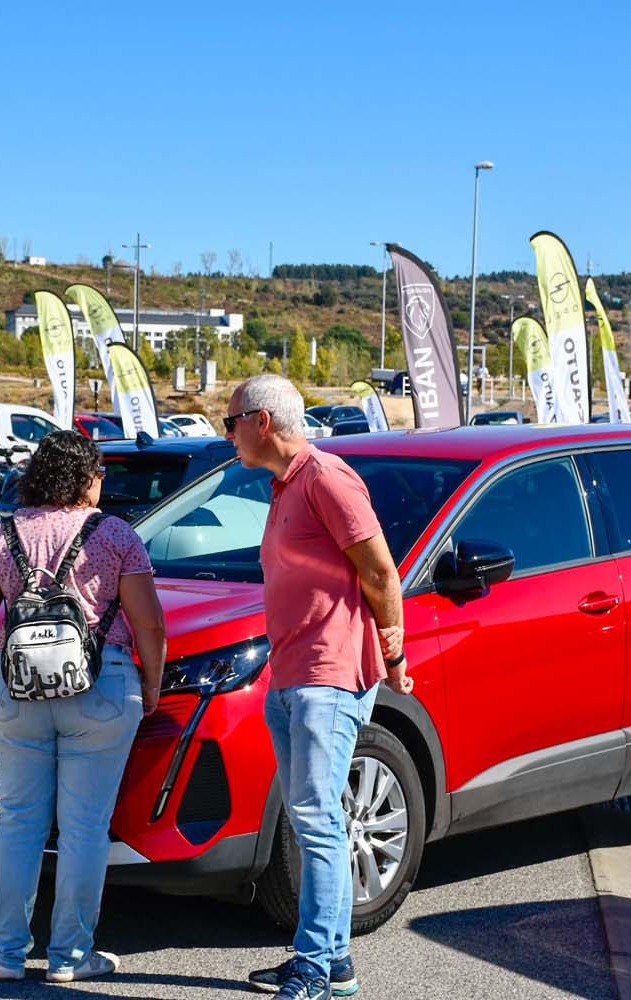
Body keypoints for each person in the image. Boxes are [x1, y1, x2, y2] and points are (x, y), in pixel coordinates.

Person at [225, 374, 413, 1000]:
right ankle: (331, 962)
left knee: (317, 820)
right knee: (315, 819)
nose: (227, 433)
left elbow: (382, 570)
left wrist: (394, 652)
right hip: (292, 673)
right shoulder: (285, 486)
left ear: (262, 421)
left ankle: (314, 966)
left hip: (327, 677)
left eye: (232, 422)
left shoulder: (327, 479)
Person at [0, 430, 166, 983]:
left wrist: (1, 667)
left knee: (18, 823)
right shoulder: (116, 533)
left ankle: (4, 952)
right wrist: (151, 684)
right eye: (98, 472)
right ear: (83, 477)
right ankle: (72, 957)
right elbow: (148, 622)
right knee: (84, 830)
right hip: (100, 690)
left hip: (17, 689)